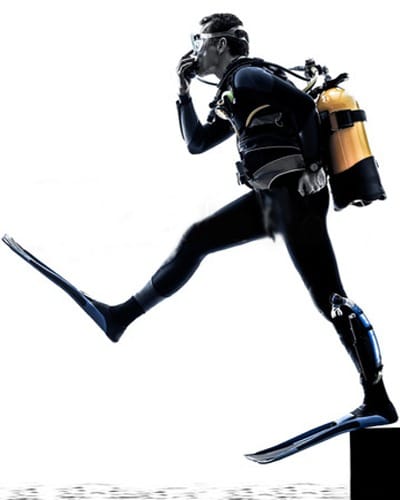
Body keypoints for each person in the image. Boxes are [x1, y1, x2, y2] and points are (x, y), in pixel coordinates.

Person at [27, 13, 400, 423]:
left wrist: (313, 166)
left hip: (295, 194)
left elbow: (304, 107)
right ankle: (121, 317)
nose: (194, 50)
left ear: (220, 44)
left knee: (329, 296)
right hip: (272, 199)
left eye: (199, 40)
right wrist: (182, 91)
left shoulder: (247, 76)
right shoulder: (234, 92)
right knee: (198, 239)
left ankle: (377, 400)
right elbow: (197, 143)